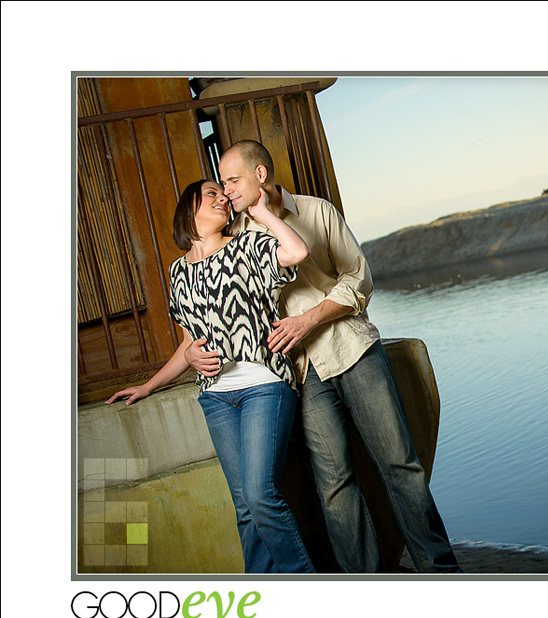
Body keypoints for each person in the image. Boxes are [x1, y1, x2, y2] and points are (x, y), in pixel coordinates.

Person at [185, 140, 461, 573]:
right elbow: (211, 308)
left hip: (352, 349)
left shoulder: (316, 212)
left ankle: (440, 570)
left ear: (260, 175)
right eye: (221, 184)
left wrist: (308, 319)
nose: (227, 191)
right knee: (334, 485)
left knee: (399, 464)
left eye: (233, 180)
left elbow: (359, 279)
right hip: (299, 371)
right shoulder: (230, 237)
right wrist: (191, 355)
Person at [107, 179, 316, 574]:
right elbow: (189, 342)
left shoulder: (245, 247)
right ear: (190, 209)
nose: (223, 198)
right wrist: (151, 383)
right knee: (244, 507)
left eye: (226, 194)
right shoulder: (178, 272)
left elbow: (297, 251)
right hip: (216, 397)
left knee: (260, 496)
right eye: (211, 194)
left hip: (262, 385)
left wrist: (262, 212)